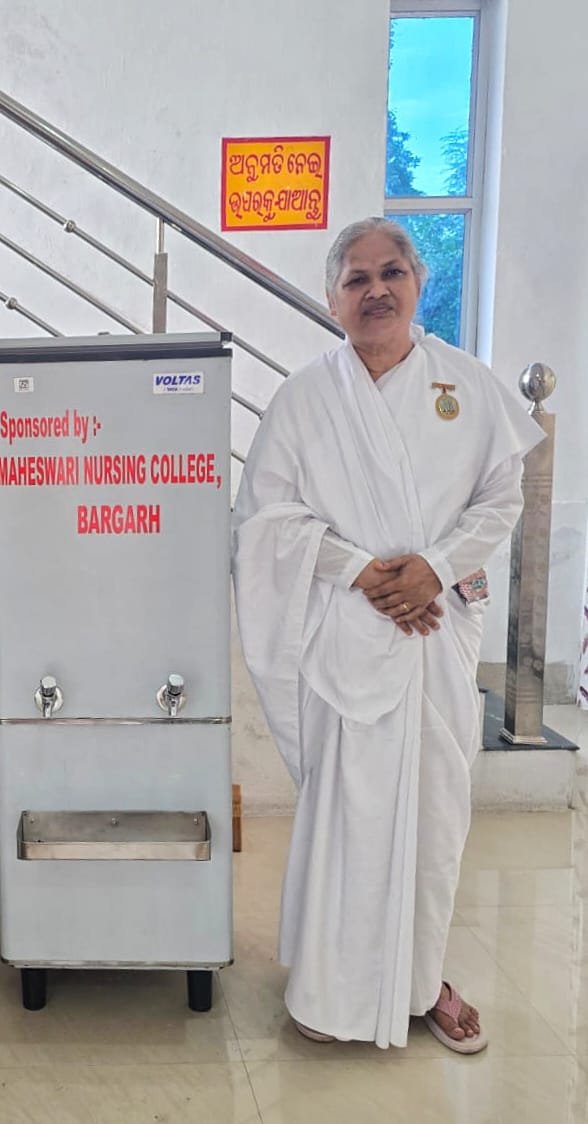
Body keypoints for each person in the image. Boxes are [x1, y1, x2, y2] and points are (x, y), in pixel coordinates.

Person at [231, 217, 544, 1052]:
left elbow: (501, 499)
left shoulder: (467, 387)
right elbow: (264, 520)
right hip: (345, 638)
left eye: (392, 272)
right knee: (349, 819)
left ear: (418, 283)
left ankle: (423, 983)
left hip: (435, 639)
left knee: (434, 823)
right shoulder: (305, 398)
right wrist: (360, 570)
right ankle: (329, 992)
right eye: (357, 278)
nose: (376, 290)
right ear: (331, 299)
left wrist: (432, 568)